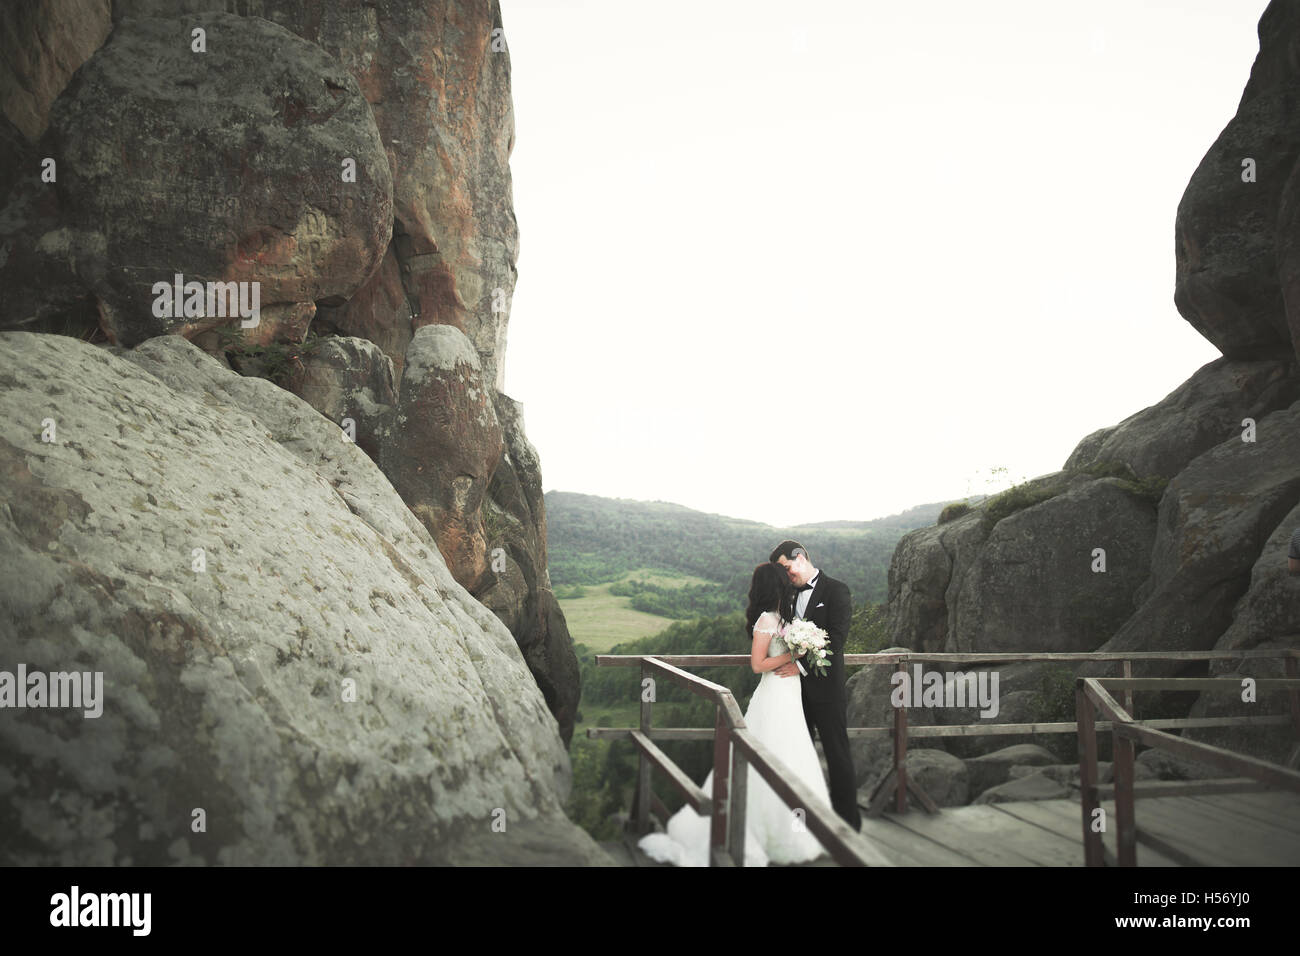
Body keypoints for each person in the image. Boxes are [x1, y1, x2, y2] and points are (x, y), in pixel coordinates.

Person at [636, 562, 834, 866]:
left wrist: (804, 652)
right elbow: (757, 664)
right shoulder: (767, 620)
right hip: (774, 696)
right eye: (787, 579)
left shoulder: (787, 619)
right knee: (770, 754)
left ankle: (798, 830)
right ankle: (760, 832)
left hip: (791, 695)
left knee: (794, 755)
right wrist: (793, 654)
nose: (792, 582)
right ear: (777, 586)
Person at [770, 539, 862, 831]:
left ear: (801, 557)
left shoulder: (836, 590)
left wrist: (797, 665)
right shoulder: (787, 595)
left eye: (786, 568)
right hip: (793, 693)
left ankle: (848, 823)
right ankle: (805, 823)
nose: (786, 576)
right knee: (800, 756)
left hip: (826, 689)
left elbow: (836, 640)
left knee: (837, 754)